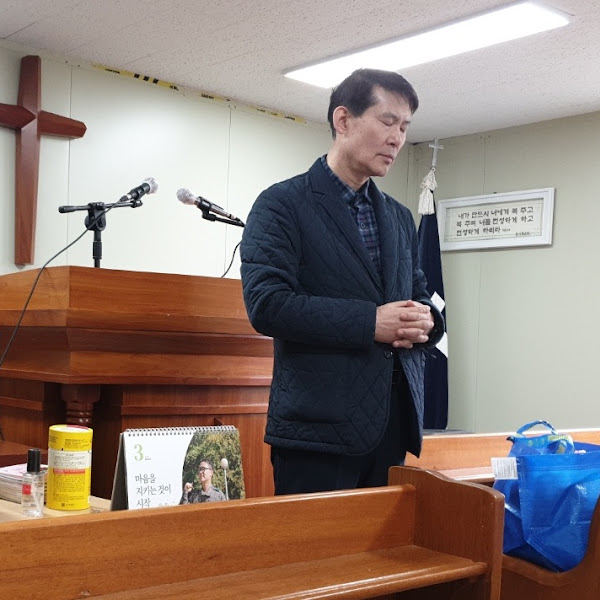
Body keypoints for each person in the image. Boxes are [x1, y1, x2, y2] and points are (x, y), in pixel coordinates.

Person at [240, 68, 445, 495]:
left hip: (392, 426)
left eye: (405, 127)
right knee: (312, 542)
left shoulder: (399, 216)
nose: (398, 139)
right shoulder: (281, 204)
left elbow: (418, 293)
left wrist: (428, 322)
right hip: (317, 433)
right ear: (344, 120)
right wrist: (371, 322)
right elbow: (268, 305)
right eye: (388, 121)